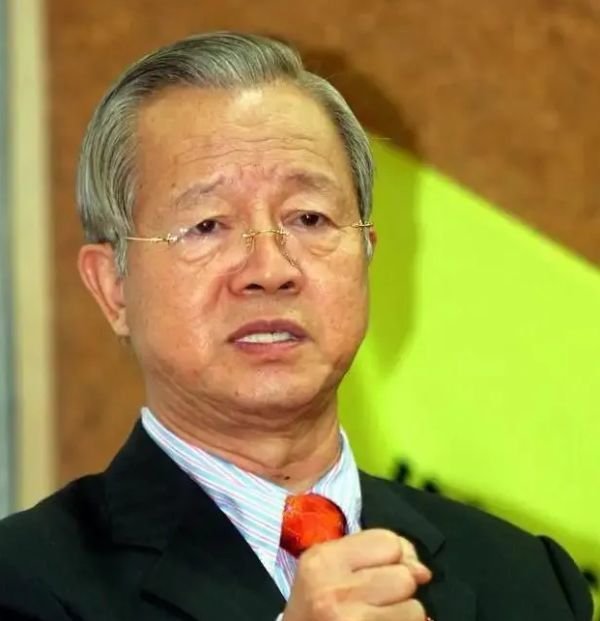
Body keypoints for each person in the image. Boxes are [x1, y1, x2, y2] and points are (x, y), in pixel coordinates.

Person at [0, 32, 593, 621]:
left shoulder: (529, 581)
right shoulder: (24, 581)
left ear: (366, 253)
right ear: (112, 286)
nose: (270, 270)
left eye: (309, 218)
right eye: (207, 225)